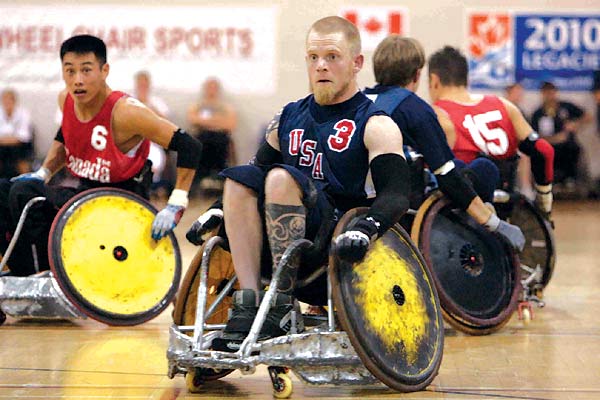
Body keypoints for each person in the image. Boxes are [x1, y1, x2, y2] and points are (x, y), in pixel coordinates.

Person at [187, 16, 411, 351]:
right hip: (272, 243)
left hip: (332, 246)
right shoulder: (289, 117)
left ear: (356, 63)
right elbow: (251, 172)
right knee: (238, 180)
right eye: (313, 57)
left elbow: (396, 195)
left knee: (279, 178)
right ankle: (249, 305)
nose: (321, 66)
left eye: (332, 57)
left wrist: (367, 228)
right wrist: (216, 212)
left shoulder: (376, 123)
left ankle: (281, 306)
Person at [0, 34, 202, 276]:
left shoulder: (127, 112)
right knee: (4, 189)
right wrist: (44, 171)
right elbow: (66, 134)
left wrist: (175, 204)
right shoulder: (66, 98)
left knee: (25, 193)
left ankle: (39, 272)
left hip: (120, 198)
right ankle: (19, 269)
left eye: (86, 71)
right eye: (70, 71)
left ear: (104, 70)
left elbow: (190, 146)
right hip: (83, 192)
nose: (77, 80)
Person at [363, 35, 524, 251]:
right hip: (404, 197)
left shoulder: (359, 100)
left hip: (359, 194)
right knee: (481, 169)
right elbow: (447, 177)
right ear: (418, 74)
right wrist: (495, 224)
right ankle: (482, 234)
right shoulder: (415, 108)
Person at [428, 46, 555, 216]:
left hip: (459, 213)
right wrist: (544, 199)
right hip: (505, 204)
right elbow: (544, 150)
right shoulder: (505, 106)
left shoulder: (436, 115)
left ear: (434, 80)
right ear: (466, 78)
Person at [531, 81, 591, 187]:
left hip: (568, 144)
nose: (550, 96)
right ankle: (551, 180)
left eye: (552, 93)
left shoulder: (565, 107)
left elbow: (588, 116)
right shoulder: (538, 113)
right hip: (549, 143)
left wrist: (575, 123)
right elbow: (535, 135)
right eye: (547, 93)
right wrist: (555, 139)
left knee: (573, 148)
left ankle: (570, 179)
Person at [187, 77, 237, 192]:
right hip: (202, 138)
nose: (211, 90)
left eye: (214, 88)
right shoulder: (197, 105)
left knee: (219, 141)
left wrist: (205, 121)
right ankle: (199, 180)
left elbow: (231, 124)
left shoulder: (225, 107)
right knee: (199, 143)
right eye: (209, 87)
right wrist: (218, 121)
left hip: (220, 140)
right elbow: (193, 119)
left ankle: (219, 179)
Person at [133, 70, 173, 201]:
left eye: (145, 84)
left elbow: (165, 123)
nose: (142, 87)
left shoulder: (157, 103)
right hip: (133, 140)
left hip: (152, 141)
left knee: (155, 160)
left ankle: (153, 186)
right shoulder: (128, 101)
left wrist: (147, 105)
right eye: (140, 84)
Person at [0, 88, 34, 179]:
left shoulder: (23, 113)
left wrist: (7, 139)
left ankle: (26, 181)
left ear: (14, 101)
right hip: (2, 146)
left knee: (19, 153)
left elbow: (24, 136)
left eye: (9, 99)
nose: (7, 102)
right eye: (4, 99)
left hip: (19, 146)